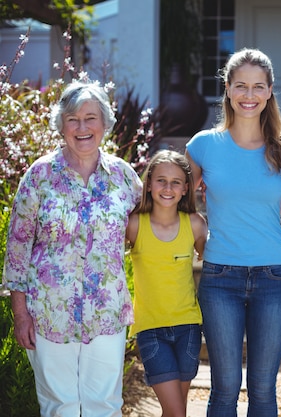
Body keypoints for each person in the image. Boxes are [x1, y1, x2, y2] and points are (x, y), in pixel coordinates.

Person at [2, 80, 143, 416]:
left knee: (104, 404)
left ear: (105, 124)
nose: (82, 127)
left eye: (91, 118)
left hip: (106, 312)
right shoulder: (39, 176)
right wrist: (20, 314)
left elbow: (150, 228)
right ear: (61, 125)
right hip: (49, 312)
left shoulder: (124, 178)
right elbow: (17, 247)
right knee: (58, 405)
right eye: (73, 119)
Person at [184, 48, 281, 417]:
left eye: (257, 87)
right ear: (228, 89)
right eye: (240, 86)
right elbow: (182, 206)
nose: (248, 96)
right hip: (220, 276)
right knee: (224, 388)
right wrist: (203, 230)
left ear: (269, 92)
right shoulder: (202, 146)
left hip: (273, 277)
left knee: (264, 389)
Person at [126, 149, 208, 417]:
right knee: (176, 412)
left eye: (176, 182)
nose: (168, 188)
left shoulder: (195, 225)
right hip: (151, 329)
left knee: (175, 412)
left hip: (188, 328)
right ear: (148, 184)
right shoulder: (134, 224)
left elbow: (212, 259)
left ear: (186, 189)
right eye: (161, 180)